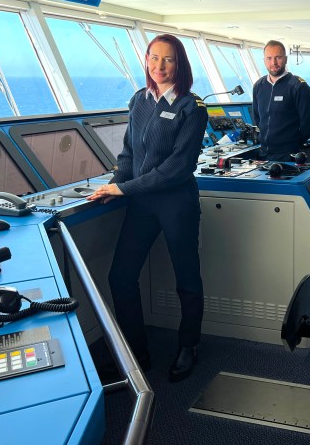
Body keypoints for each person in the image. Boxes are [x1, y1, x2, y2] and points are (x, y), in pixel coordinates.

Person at [87, 34, 208, 383]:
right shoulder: (139, 100)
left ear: (179, 64)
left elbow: (177, 168)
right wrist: (115, 185)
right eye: (153, 58)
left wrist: (123, 188)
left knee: (187, 277)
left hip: (176, 202)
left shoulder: (191, 107)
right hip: (141, 202)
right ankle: (135, 351)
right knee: (120, 276)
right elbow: (129, 154)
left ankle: (189, 346)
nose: (159, 66)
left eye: (167, 59)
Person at [251, 40, 310, 162]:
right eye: (269, 58)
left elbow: (309, 123)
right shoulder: (259, 86)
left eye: (278, 57)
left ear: (285, 59)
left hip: (288, 155)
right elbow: (257, 118)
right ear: (264, 61)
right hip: (263, 154)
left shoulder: (298, 86)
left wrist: (292, 144)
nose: (273, 62)